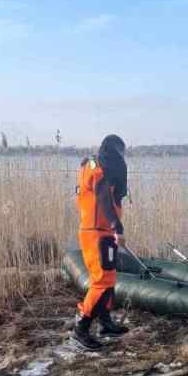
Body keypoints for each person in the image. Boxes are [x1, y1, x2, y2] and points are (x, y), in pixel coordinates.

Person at [73, 134, 130, 350]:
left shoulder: (104, 167)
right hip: (96, 232)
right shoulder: (97, 168)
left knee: (109, 278)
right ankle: (80, 327)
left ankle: (105, 322)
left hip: (103, 231)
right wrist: (118, 228)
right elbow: (103, 197)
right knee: (101, 281)